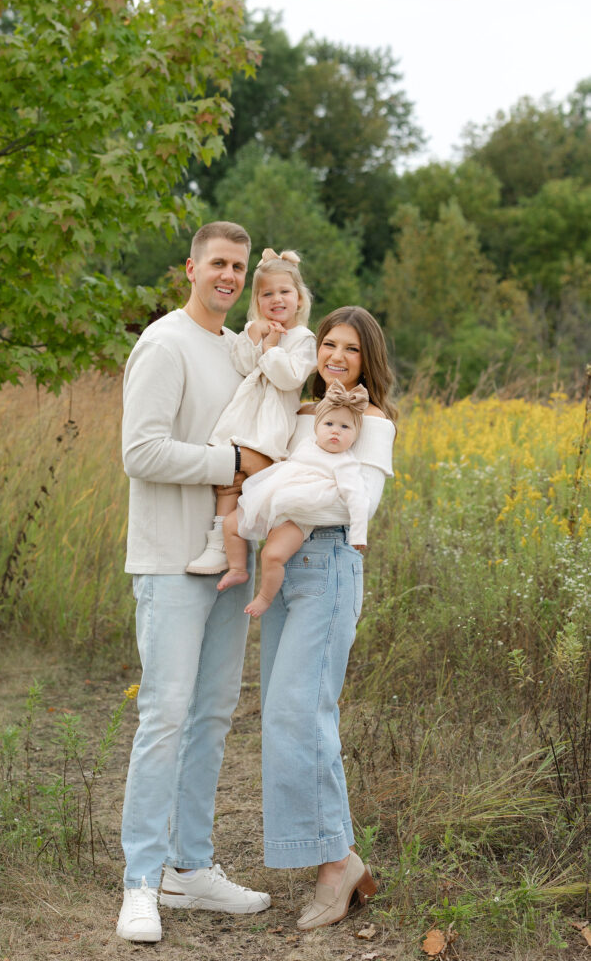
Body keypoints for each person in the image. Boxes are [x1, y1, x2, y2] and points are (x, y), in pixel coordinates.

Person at [117, 221, 273, 944]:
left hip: (229, 559)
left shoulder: (232, 350)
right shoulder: (164, 341)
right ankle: (140, 883)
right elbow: (140, 451)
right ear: (189, 267)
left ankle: (190, 868)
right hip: (170, 561)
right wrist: (231, 461)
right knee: (165, 718)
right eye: (218, 262)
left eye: (238, 266)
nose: (229, 275)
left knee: (211, 716)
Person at [260, 306, 397, 931]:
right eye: (328, 344)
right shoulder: (304, 414)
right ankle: (339, 856)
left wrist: (277, 491)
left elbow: (341, 500)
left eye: (350, 348)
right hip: (286, 572)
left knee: (301, 710)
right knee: (283, 711)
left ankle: (334, 864)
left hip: (330, 569)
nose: (336, 356)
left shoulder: (372, 422)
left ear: (368, 359)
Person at [186, 248, 316, 575]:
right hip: (244, 421)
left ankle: (233, 548)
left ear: (299, 299)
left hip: (270, 428)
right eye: (266, 294)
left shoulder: (303, 338)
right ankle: (223, 549)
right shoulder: (255, 330)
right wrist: (254, 337)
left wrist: (271, 348)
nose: (276, 299)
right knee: (229, 481)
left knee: (241, 480)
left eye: (284, 292)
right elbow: (242, 366)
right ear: (256, 301)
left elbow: (289, 378)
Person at [218, 380, 370, 615]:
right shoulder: (307, 444)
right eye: (329, 424)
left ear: (356, 435)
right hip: (271, 501)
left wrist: (359, 533)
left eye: (345, 427)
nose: (335, 431)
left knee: (273, 554)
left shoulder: (345, 463)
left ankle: (264, 597)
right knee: (230, 524)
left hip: (297, 516)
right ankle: (238, 568)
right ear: (316, 427)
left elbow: (357, 498)